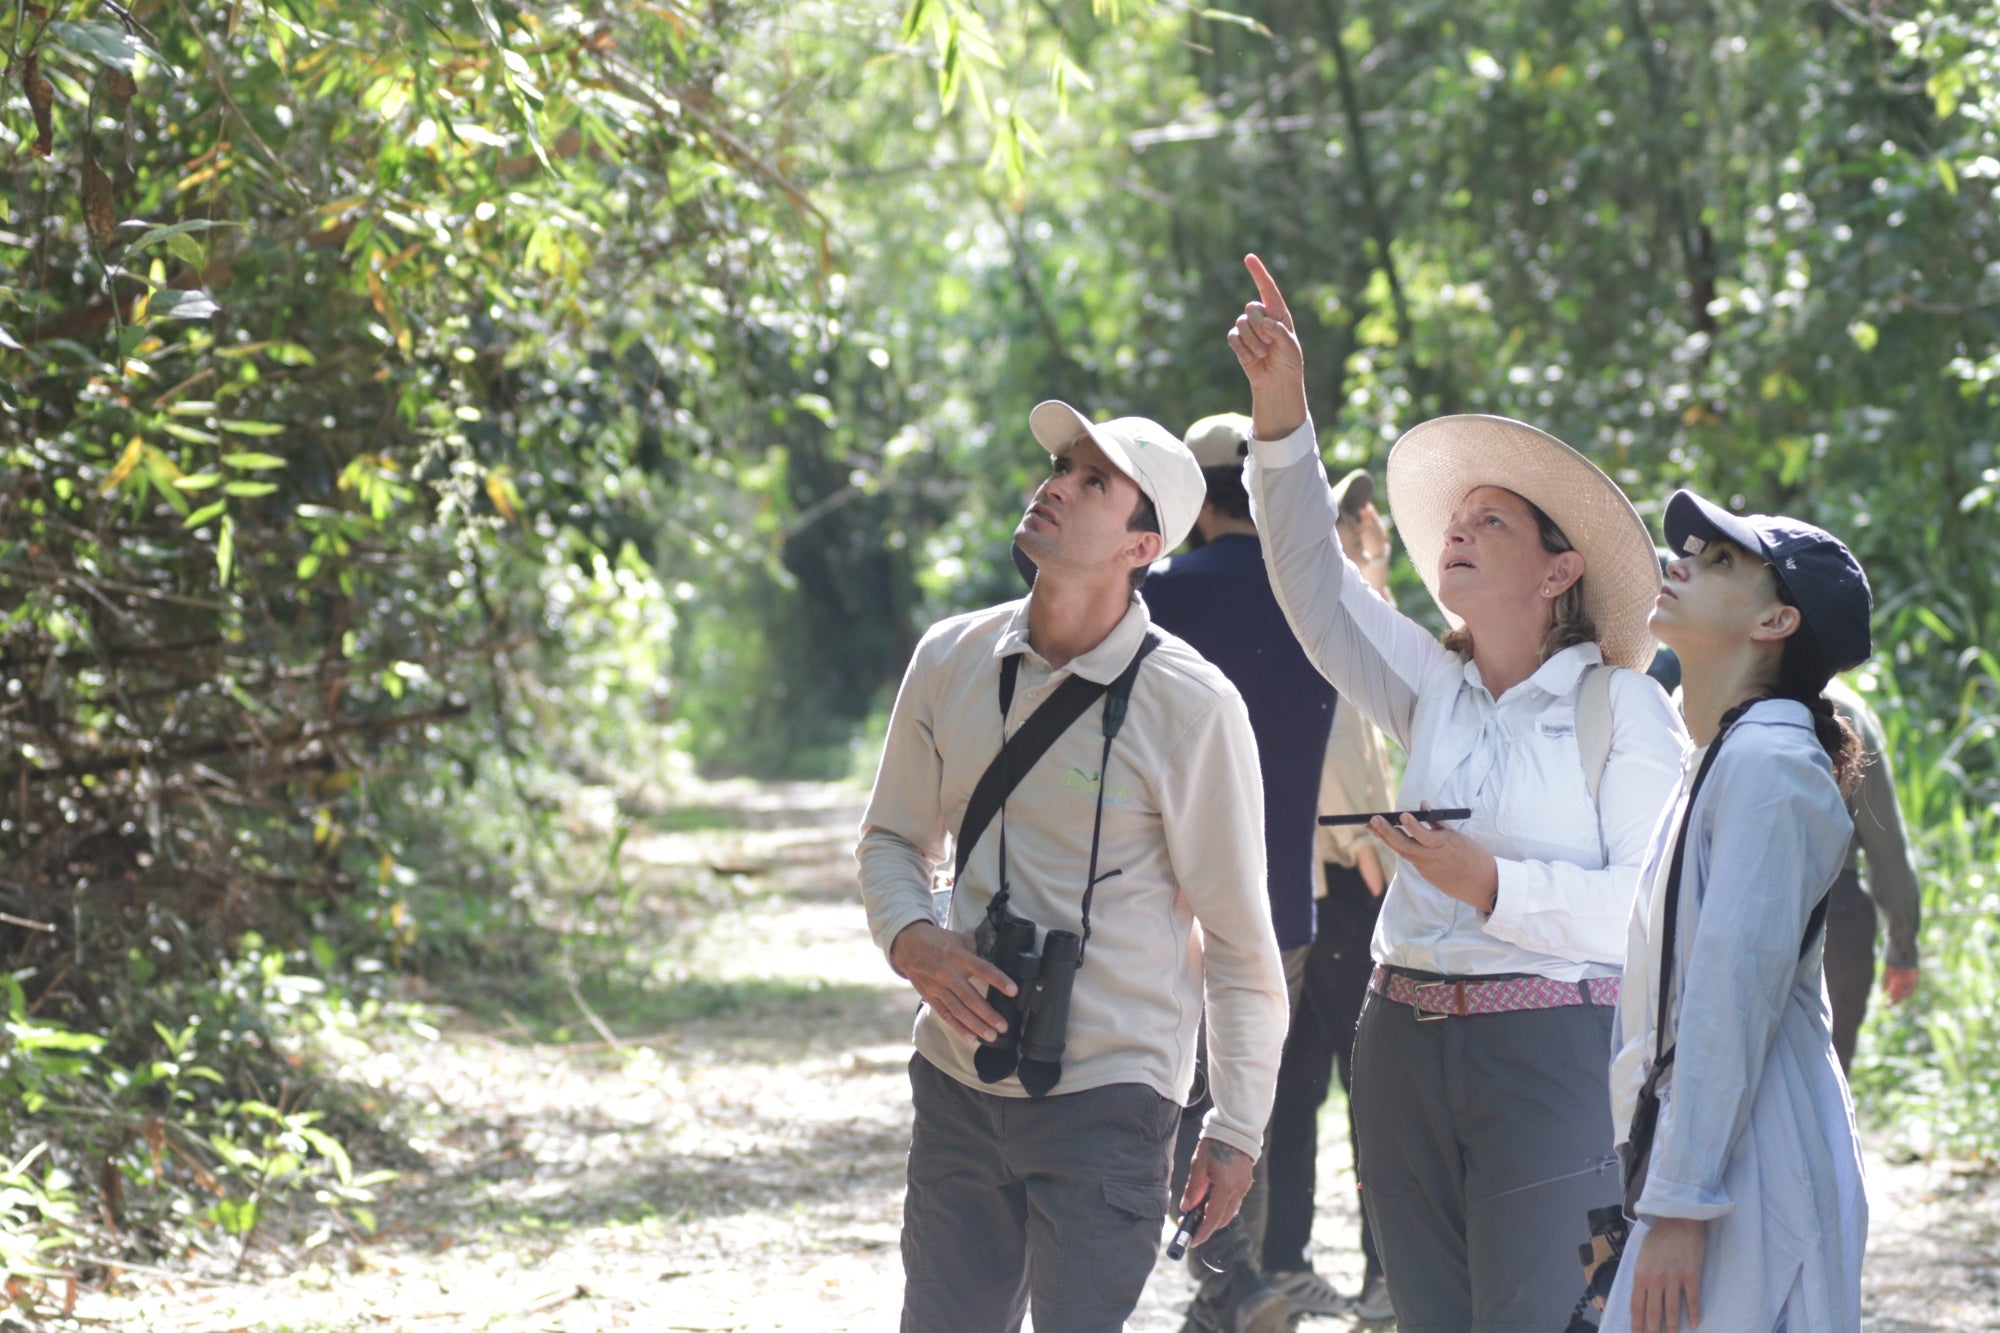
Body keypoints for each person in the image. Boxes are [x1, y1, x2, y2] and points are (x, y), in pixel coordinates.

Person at [1226, 253, 1688, 1330]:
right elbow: (1308, 580)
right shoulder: (1431, 687)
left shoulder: (1621, 708)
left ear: (1557, 570)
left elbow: (1649, 912)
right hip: (1395, 1042)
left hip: (1551, 1056)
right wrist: (1281, 414)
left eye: (1491, 522)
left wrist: (1491, 885)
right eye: (1456, 519)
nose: (1456, 531)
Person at [856, 400, 1290, 1333]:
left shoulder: (1194, 708)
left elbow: (1241, 942)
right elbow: (892, 837)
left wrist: (1236, 1130)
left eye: (1095, 480)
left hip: (1114, 1096)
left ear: (1144, 545)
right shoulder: (951, 658)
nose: (1054, 485)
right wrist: (913, 938)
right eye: (1060, 465)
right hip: (958, 1075)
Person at [1604, 490, 1873, 1333]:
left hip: (1750, 1162)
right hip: (1717, 1150)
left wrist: (1683, 1206)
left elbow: (1731, 993)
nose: (1680, 561)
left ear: (1777, 622)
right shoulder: (1727, 754)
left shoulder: (1767, 765)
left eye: (1723, 561)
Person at [1142, 412, 1337, 1333]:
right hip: (1284, 901)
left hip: (1169, 893)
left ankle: (1234, 1285)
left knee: (1188, 1098)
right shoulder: (1314, 604)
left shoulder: (1159, 597)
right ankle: (1229, 1292)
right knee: (1242, 1103)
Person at [1259, 474, 1397, 1323]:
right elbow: (1349, 743)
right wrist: (1369, 847)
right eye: (1360, 524)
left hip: (1295, 872)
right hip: (1344, 874)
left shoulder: (1321, 598)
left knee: (1296, 1078)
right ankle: (1383, 1271)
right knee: (1367, 1080)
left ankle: (1283, 1259)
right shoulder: (1320, 608)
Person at [1821, 676, 1922, 1071]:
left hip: (1733, 910)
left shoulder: (1710, 689)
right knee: (1828, 1084)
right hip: (1838, 923)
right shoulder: (1848, 709)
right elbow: (1886, 847)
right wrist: (1903, 947)